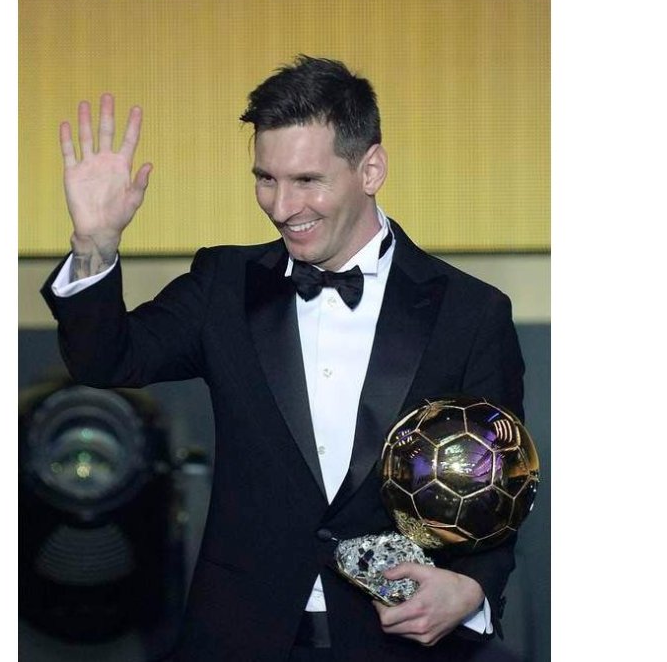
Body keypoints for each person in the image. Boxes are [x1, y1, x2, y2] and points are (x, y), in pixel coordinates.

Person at [41, 56, 526, 662]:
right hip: (238, 638)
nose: (280, 205)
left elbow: (498, 491)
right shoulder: (224, 282)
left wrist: (473, 590)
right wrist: (93, 243)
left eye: (306, 180)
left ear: (370, 168)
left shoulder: (470, 313)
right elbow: (105, 362)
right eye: (265, 178)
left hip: (396, 644)